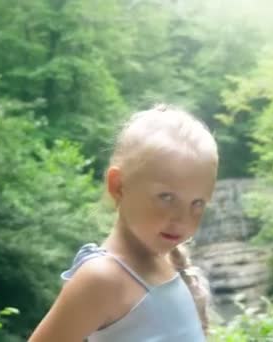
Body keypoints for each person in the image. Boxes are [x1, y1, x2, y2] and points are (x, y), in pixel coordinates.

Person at [29, 104, 217, 341]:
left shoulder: (166, 260)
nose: (182, 218)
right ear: (118, 186)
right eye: (166, 197)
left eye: (197, 203)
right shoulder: (102, 278)